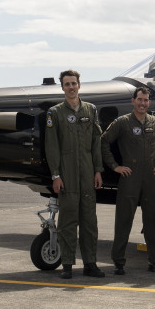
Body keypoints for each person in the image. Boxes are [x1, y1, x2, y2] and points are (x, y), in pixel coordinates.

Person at [101, 86, 155, 275]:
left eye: (146, 100)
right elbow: (104, 142)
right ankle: (118, 262)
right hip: (129, 177)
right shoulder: (122, 122)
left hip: (150, 178)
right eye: (140, 100)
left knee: (153, 220)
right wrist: (115, 166)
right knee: (124, 219)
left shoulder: (154, 123)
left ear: (149, 102)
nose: (143, 103)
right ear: (133, 101)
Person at [45, 70, 105, 279]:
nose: (71, 87)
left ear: (79, 85)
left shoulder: (90, 110)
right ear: (62, 88)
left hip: (88, 172)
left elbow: (96, 142)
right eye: (67, 84)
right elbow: (51, 147)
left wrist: (98, 170)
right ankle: (67, 265)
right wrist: (55, 175)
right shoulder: (55, 113)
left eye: (74, 83)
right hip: (67, 173)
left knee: (89, 220)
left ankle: (91, 264)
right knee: (68, 220)